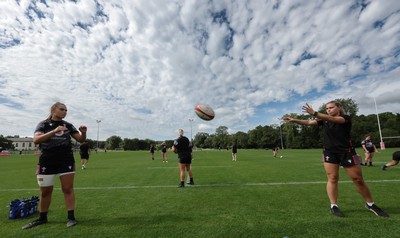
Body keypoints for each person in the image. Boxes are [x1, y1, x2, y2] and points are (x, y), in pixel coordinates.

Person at [283, 101, 388, 218]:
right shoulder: (324, 119)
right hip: (329, 152)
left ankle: (370, 204)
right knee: (332, 178)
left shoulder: (345, 118)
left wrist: (315, 113)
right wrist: (294, 120)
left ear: (339, 108)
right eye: (327, 108)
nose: (328, 110)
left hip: (347, 152)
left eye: (331, 108)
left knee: (358, 179)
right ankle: (334, 206)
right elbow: (308, 122)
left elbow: (333, 119)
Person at [22, 102, 87, 229]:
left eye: (66, 110)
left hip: (66, 160)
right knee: (45, 191)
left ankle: (71, 217)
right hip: (47, 160)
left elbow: (80, 139)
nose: (65, 112)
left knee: (67, 189)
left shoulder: (68, 125)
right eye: (62, 109)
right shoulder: (43, 124)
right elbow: (36, 140)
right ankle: (42, 218)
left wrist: (83, 133)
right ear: (53, 110)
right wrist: (54, 131)